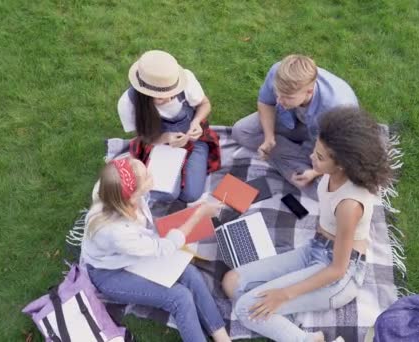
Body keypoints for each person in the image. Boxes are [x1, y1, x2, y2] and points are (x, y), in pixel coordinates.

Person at [222, 107, 391, 342]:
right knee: (232, 281)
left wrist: (284, 294)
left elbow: (337, 269)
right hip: (315, 248)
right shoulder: (335, 172)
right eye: (316, 150)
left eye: (320, 157)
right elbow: (325, 170)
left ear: (342, 165)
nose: (312, 157)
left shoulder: (349, 205)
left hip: (339, 275)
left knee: (245, 309)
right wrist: (315, 172)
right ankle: (297, 329)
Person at [81, 157, 231, 342]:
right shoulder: (117, 232)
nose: (152, 175)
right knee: (180, 298)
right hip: (110, 274)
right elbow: (164, 247)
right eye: (147, 176)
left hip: (131, 256)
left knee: (190, 273)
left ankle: (221, 336)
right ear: (132, 195)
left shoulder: (112, 189)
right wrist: (198, 214)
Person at [231, 54, 358, 188]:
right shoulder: (278, 72)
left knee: (321, 188)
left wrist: (315, 172)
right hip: (289, 120)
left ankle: (294, 159)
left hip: (326, 141)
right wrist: (269, 138)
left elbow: (343, 152)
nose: (279, 100)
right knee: (241, 131)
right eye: (277, 93)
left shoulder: (337, 107)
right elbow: (266, 103)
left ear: (309, 92)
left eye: (287, 97)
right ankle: (292, 157)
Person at [117, 50, 220, 203]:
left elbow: (204, 104)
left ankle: (181, 171)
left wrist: (196, 122)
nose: (170, 98)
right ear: (145, 93)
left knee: (190, 195)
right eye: (161, 96)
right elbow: (142, 135)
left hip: (193, 140)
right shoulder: (128, 103)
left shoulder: (186, 80)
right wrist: (165, 138)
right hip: (159, 144)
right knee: (165, 194)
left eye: (173, 91)